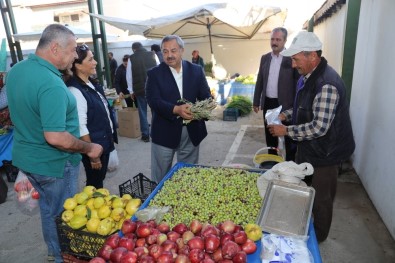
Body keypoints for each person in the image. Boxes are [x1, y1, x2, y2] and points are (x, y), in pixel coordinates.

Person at [6, 24, 103, 263]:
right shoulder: (51, 83)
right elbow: (56, 137)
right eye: (71, 51)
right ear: (55, 48)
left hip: (28, 160)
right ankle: (64, 256)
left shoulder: (17, 70)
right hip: (54, 165)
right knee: (66, 217)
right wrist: (89, 148)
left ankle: (53, 251)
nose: (74, 57)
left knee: (49, 211)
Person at [267, 31, 355, 242]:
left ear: (312, 56)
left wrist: (286, 130)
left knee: (322, 200)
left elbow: (319, 127)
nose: (293, 64)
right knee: (304, 190)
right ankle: (304, 225)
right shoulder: (307, 76)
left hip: (327, 153)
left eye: (296, 59)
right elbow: (303, 107)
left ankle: (318, 240)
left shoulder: (326, 85)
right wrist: (285, 114)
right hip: (310, 148)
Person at [146, 35, 212, 183]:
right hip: (164, 132)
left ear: (182, 50)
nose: (169, 55)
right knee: (160, 176)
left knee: (188, 175)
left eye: (173, 50)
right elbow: (153, 101)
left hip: (191, 131)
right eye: (165, 51)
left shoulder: (196, 70)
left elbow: (206, 97)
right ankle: (158, 204)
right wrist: (176, 109)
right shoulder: (154, 74)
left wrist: (199, 112)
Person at [64, 44, 118, 189]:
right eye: (91, 59)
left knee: (99, 179)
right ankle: (92, 208)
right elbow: (81, 126)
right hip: (94, 146)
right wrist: (92, 155)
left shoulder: (90, 83)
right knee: (95, 183)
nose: (95, 62)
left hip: (102, 142)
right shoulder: (75, 90)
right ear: (79, 66)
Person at [253, 27, 299, 161]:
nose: (274, 42)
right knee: (270, 135)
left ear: (285, 41)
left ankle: (289, 164)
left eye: (278, 39)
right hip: (269, 103)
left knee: (288, 136)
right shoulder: (265, 58)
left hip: (286, 105)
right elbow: (260, 80)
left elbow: (297, 84)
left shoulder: (291, 59)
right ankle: (272, 162)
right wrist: (256, 100)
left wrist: (296, 104)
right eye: (272, 39)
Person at [126, 42, 157, 142]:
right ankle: (156, 133)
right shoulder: (152, 54)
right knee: (155, 111)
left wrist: (131, 90)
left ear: (134, 49)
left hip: (139, 89)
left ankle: (145, 135)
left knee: (142, 112)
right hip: (153, 88)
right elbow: (160, 70)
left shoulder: (131, 58)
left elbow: (129, 76)